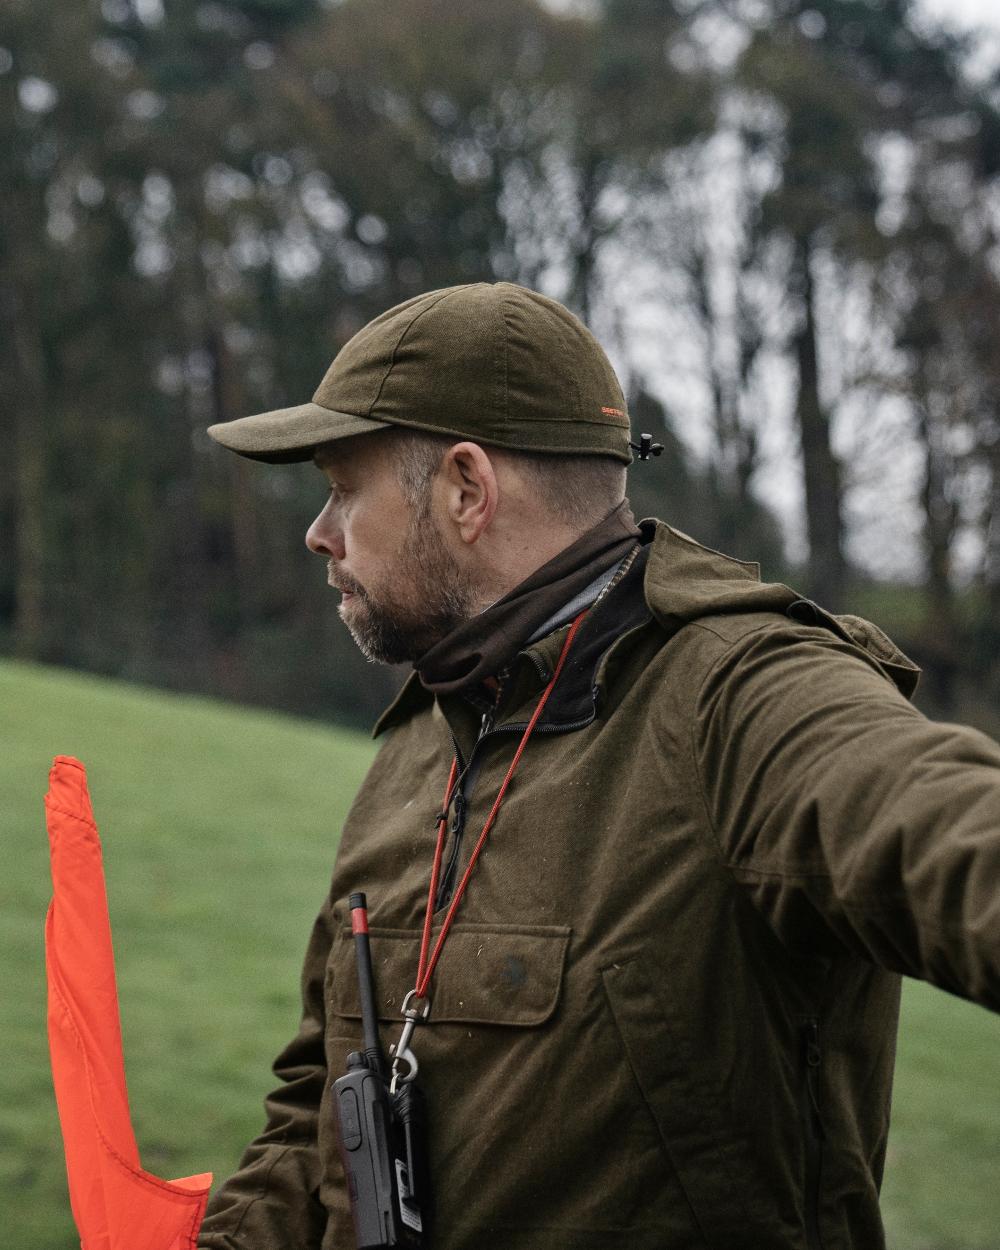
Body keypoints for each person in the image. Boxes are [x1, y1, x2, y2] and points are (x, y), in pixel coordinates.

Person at [199, 282, 1000, 1250]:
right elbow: (315, 1108)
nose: (318, 533)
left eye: (341, 485)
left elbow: (948, 829)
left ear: (464, 489)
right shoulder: (418, 742)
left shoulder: (738, 694)